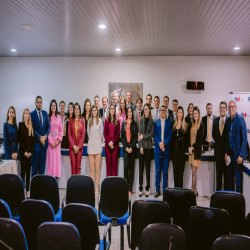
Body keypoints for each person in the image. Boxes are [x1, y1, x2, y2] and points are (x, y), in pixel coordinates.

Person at [225, 100, 247, 193]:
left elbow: (244, 139)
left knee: (238, 182)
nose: (231, 108)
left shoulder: (240, 119)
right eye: (229, 107)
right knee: (230, 180)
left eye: (233, 106)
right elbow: (227, 138)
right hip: (230, 156)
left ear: (236, 108)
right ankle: (231, 200)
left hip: (238, 156)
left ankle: (237, 203)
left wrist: (241, 155)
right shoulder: (228, 121)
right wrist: (225, 152)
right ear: (228, 110)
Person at [154, 105, 172, 198]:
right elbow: (155, 135)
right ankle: (157, 190)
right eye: (162, 110)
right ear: (160, 112)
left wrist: (164, 144)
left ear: (166, 112)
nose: (163, 111)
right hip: (157, 151)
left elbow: (170, 135)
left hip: (166, 152)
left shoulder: (169, 123)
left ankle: (165, 191)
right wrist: (160, 144)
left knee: (165, 172)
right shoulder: (156, 122)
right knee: (157, 172)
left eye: (164, 110)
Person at [31, 96, 50, 176]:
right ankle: (33, 188)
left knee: (42, 170)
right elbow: (32, 128)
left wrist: (45, 137)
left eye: (40, 102)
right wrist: (40, 138)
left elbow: (48, 127)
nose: (39, 104)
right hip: (36, 147)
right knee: (34, 169)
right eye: (38, 102)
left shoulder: (45, 114)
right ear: (35, 103)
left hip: (44, 147)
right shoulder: (32, 114)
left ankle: (41, 188)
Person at [138, 103, 154, 197]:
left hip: (148, 148)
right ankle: (140, 188)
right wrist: (140, 147)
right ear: (143, 110)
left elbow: (151, 134)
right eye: (145, 109)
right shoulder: (141, 120)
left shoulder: (152, 121)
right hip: (141, 148)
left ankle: (147, 188)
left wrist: (143, 136)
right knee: (141, 169)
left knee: (148, 168)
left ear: (149, 110)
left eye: (147, 109)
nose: (146, 111)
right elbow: (139, 135)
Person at [121, 107, 138, 194]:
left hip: (132, 148)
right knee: (126, 167)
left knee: (131, 168)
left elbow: (135, 136)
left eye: (131, 111)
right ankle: (125, 186)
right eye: (128, 112)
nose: (130, 113)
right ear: (127, 113)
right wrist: (126, 147)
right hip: (125, 148)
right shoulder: (124, 123)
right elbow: (122, 136)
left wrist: (131, 147)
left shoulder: (135, 124)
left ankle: (130, 188)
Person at [18, 109, 35, 197]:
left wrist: (31, 152)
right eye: (25, 113)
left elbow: (33, 141)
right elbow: (20, 140)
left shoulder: (31, 126)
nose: (26, 115)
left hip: (30, 154)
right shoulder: (20, 125)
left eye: (28, 114)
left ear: (29, 116)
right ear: (23, 115)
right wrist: (24, 152)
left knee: (28, 173)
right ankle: (22, 191)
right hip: (23, 153)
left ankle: (27, 191)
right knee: (23, 172)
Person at [188, 106, 204, 197]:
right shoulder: (191, 124)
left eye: (196, 113)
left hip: (196, 152)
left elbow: (199, 140)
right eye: (194, 113)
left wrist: (192, 147)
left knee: (194, 172)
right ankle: (195, 191)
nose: (195, 115)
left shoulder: (201, 125)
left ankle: (191, 191)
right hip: (191, 152)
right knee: (193, 172)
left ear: (199, 114)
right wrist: (189, 147)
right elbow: (188, 138)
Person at [87, 105, 103, 195]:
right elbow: (89, 134)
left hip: (98, 148)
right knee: (91, 170)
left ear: (97, 111)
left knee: (97, 169)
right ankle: (92, 186)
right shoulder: (89, 121)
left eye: (95, 110)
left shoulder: (100, 121)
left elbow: (101, 134)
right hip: (91, 147)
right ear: (91, 112)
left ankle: (97, 187)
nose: (94, 112)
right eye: (92, 110)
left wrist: (96, 141)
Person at [212, 101, 228, 191]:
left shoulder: (229, 121)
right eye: (220, 107)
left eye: (223, 108)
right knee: (218, 177)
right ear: (219, 109)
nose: (222, 109)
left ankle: (225, 196)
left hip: (226, 155)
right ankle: (218, 195)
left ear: (226, 110)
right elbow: (214, 135)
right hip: (218, 154)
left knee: (226, 177)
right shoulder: (215, 121)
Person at [172, 106, 188, 188]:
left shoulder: (185, 125)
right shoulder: (173, 125)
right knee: (175, 172)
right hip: (174, 153)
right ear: (176, 113)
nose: (180, 114)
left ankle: (180, 191)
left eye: (181, 112)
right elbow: (172, 139)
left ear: (183, 114)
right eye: (178, 112)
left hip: (181, 153)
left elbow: (186, 140)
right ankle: (175, 191)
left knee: (180, 172)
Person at [47, 99, 63, 178]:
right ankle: (50, 181)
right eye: (52, 105)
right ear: (50, 107)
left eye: (54, 105)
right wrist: (51, 142)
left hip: (57, 144)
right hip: (50, 144)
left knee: (56, 162)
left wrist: (57, 141)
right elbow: (47, 130)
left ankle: (56, 182)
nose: (53, 107)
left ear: (56, 107)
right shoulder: (48, 117)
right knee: (50, 162)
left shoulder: (59, 117)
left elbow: (61, 130)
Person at [68, 103, 85, 175]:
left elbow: (83, 135)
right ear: (73, 110)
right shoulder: (71, 120)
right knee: (73, 167)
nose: (76, 110)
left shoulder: (82, 120)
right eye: (75, 109)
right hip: (72, 147)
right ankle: (73, 185)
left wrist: (78, 147)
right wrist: (74, 146)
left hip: (79, 148)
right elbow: (69, 134)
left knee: (78, 167)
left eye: (78, 109)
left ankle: (78, 185)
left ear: (80, 110)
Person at [104, 103, 120, 177]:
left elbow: (118, 133)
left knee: (114, 166)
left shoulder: (118, 121)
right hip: (107, 146)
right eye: (111, 109)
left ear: (115, 110)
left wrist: (112, 142)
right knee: (109, 166)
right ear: (109, 110)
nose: (112, 110)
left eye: (113, 109)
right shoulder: (106, 120)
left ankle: (114, 186)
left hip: (115, 146)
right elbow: (105, 133)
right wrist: (109, 142)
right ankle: (108, 186)